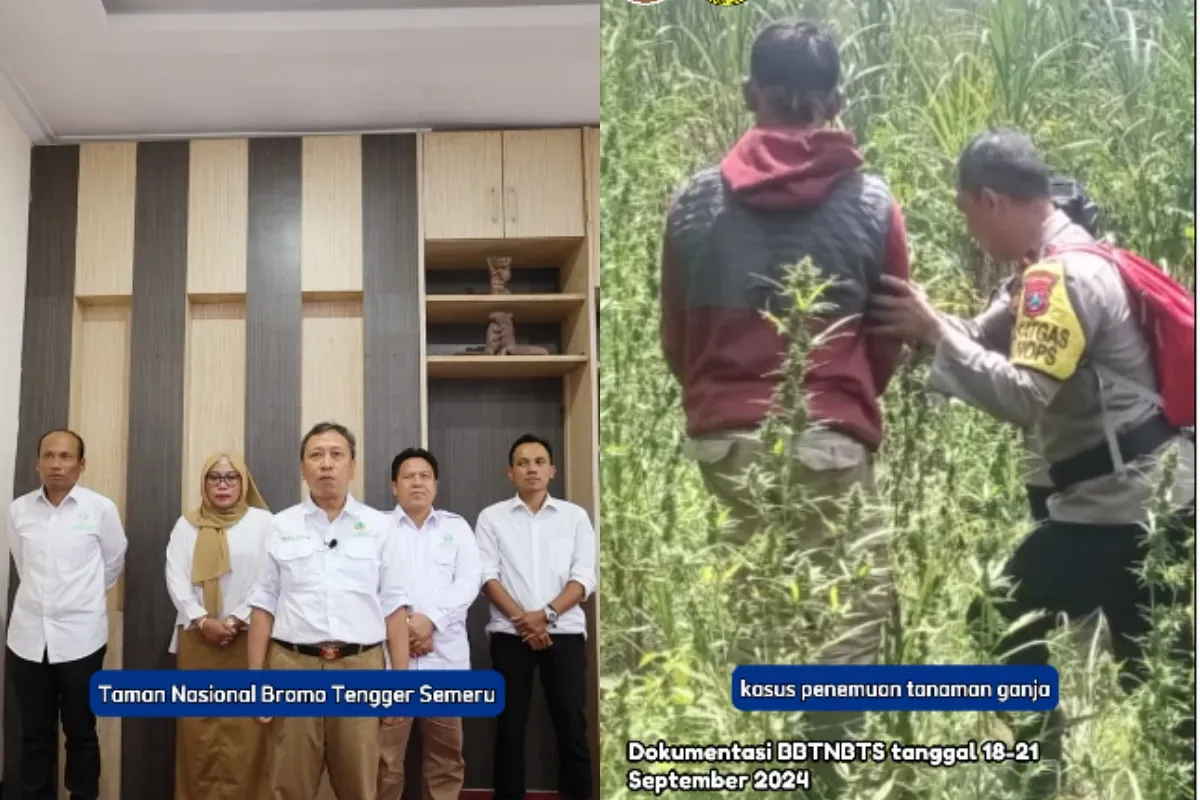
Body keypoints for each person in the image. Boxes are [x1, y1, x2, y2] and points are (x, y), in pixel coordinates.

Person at [868, 129, 1195, 796]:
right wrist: (933, 326)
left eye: (966, 211)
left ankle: (1040, 777)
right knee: (1156, 672)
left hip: (1119, 504)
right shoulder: (1064, 262)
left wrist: (931, 334)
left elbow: (1023, 395)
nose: (971, 227)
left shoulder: (1058, 278)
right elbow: (983, 337)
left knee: (997, 618)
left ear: (990, 200)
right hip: (1151, 498)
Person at [657, 18, 908, 780]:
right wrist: (846, 400)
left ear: (749, 94)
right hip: (828, 433)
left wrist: (721, 397)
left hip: (722, 437)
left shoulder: (693, 204)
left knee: (756, 596)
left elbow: (676, 336)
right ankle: (823, 776)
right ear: (833, 99)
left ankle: (765, 764)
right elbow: (890, 333)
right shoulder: (871, 203)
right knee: (845, 610)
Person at [245, 421, 411, 799]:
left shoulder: (380, 527)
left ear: (352, 465)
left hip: (361, 668)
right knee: (290, 784)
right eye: (316, 455)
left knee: (359, 784)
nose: (326, 464)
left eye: (337, 455)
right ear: (303, 468)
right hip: (292, 665)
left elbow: (394, 608)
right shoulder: (279, 525)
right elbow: (263, 605)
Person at [5, 429, 127, 800]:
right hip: (27, 640)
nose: (56, 464)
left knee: (81, 731)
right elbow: (23, 565)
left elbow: (113, 562)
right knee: (34, 733)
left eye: (65, 456)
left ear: (81, 464)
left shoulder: (100, 508)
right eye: (48, 455)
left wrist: (77, 600)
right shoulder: (19, 509)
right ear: (37, 462)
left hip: (81, 640)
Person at [476, 434, 596, 800]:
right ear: (510, 473)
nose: (532, 468)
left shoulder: (575, 517)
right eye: (524, 463)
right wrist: (524, 622)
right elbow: (486, 577)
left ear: (552, 470)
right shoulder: (491, 517)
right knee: (509, 729)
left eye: (540, 462)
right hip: (511, 636)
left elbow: (584, 578)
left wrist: (545, 615)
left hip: (565, 633)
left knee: (572, 726)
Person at [165, 451, 272, 800]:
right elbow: (175, 576)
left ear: (244, 483)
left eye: (231, 478)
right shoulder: (187, 523)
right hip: (198, 639)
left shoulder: (263, 523)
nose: (223, 485)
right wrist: (201, 618)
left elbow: (268, 580)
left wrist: (234, 619)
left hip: (247, 638)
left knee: (246, 733)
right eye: (215, 477)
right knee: (198, 734)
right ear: (204, 483)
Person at [377, 447, 482, 800]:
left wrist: (430, 622)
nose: (416, 483)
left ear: (435, 485)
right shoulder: (377, 529)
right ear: (394, 486)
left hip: (445, 662)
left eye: (424, 476)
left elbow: (469, 581)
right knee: (384, 761)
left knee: (446, 760)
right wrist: (406, 628)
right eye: (408, 476)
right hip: (392, 664)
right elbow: (366, 586)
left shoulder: (457, 527)